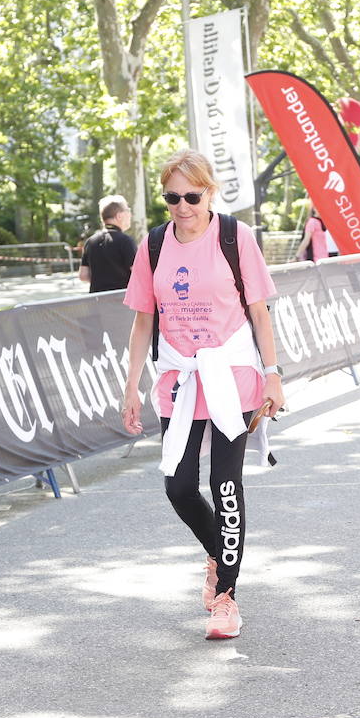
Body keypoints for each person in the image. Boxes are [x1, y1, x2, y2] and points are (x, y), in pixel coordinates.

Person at [120, 149, 285, 641]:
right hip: (180, 380)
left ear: (210, 192)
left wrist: (274, 375)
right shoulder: (152, 245)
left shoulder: (235, 237)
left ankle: (226, 599)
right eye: (172, 198)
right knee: (178, 485)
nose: (183, 206)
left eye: (192, 196)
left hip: (232, 377)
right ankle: (217, 553)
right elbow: (142, 319)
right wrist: (131, 385)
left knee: (226, 485)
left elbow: (259, 312)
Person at [79, 195, 137, 292]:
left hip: (97, 300)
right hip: (121, 299)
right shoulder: (126, 241)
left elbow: (83, 276)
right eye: (128, 211)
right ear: (119, 216)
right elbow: (138, 273)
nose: (130, 215)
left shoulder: (90, 242)